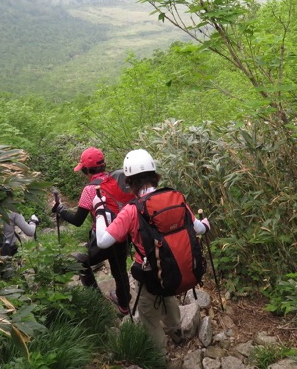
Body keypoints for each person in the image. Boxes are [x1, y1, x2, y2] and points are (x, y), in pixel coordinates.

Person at [92, 148, 210, 353]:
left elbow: (102, 241)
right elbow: (199, 228)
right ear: (155, 175)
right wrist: (206, 224)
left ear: (129, 181)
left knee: (148, 314)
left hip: (149, 273)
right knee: (168, 296)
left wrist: (100, 210)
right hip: (173, 267)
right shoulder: (176, 198)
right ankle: (176, 332)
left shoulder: (131, 210)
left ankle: (159, 355)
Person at [53, 147, 133, 315]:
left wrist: (60, 210)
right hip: (122, 235)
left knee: (81, 261)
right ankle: (124, 304)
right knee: (119, 270)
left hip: (103, 238)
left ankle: (96, 298)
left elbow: (77, 220)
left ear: (87, 170)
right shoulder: (117, 180)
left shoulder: (89, 190)